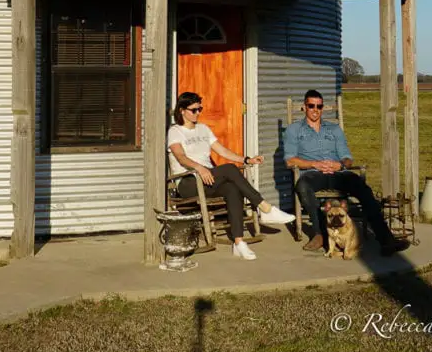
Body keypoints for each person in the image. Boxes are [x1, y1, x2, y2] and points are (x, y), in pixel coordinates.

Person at [168, 91, 295, 260]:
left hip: (207, 179)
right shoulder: (176, 131)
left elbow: (223, 151)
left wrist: (246, 159)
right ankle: (265, 208)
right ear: (182, 110)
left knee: (232, 188)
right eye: (194, 110)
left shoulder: (203, 129)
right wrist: (200, 168)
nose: (198, 113)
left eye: (200, 109)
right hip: (187, 181)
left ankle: (239, 243)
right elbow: (180, 157)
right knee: (228, 169)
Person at [283, 89, 410, 257]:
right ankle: (320, 233)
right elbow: (290, 160)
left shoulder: (334, 129)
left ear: (322, 108)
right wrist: (315, 164)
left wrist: (340, 164)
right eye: (311, 105)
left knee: (363, 189)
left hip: (338, 173)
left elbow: (348, 158)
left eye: (319, 106)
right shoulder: (294, 130)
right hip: (313, 172)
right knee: (303, 186)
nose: (315, 110)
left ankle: (386, 240)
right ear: (304, 107)